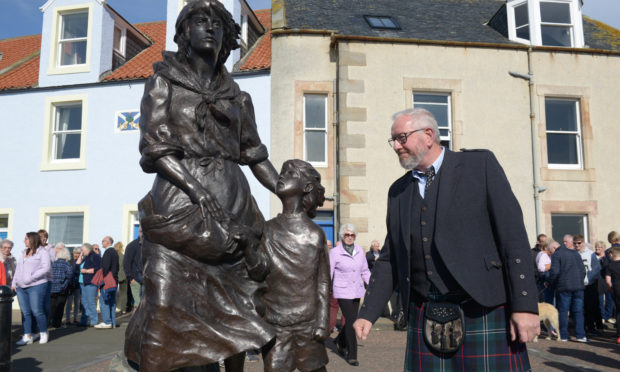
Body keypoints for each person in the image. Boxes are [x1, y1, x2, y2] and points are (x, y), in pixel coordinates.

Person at [124, 1, 279, 370]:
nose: (210, 28)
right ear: (183, 33)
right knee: (165, 296)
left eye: (218, 25)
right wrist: (196, 188)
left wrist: (285, 190)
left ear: (226, 38)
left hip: (234, 204)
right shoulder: (163, 82)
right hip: (179, 206)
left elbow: (254, 155)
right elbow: (155, 148)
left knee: (238, 302)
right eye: (200, 21)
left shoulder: (238, 97)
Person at [354, 108, 539, 371]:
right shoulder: (398, 191)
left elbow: (513, 237)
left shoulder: (479, 166)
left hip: (483, 308)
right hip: (425, 311)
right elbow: (390, 258)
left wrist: (525, 306)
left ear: (428, 135)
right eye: (393, 140)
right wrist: (368, 312)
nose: (396, 146)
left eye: (401, 137)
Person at [241, 159, 330, 372]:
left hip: (307, 325)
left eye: (290, 173)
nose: (281, 175)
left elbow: (323, 282)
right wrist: (247, 248)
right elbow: (258, 272)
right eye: (282, 172)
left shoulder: (315, 234)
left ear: (307, 187)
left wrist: (323, 321)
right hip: (276, 324)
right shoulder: (267, 230)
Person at [330, 223, 370, 367]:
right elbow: (329, 272)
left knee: (352, 320)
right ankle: (352, 355)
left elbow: (365, 271)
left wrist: (372, 285)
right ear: (342, 236)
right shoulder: (334, 252)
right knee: (353, 322)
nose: (349, 237)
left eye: (352, 235)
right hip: (342, 291)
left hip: (357, 291)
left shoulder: (359, 250)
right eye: (347, 234)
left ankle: (340, 340)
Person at [12, 232, 51, 345]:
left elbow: (46, 268)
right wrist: (14, 282)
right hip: (21, 286)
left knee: (37, 310)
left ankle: (43, 332)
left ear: (33, 240)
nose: (24, 241)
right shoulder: (23, 252)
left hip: (37, 285)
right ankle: (28, 335)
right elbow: (18, 269)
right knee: (25, 312)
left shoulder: (42, 252)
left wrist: (31, 277)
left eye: (26, 239)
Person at [549, 234, 587, 342]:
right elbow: (582, 270)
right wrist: (579, 281)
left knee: (563, 311)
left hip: (564, 286)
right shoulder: (575, 253)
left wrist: (552, 284)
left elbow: (555, 272)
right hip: (578, 286)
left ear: (554, 248)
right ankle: (581, 336)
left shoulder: (557, 254)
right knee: (578, 311)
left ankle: (564, 335)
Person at [574, 235, 602, 334]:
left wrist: (588, 279)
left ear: (583, 243)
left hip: (589, 284)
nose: (577, 245)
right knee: (579, 307)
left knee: (591, 306)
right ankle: (581, 327)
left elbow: (596, 269)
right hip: (577, 284)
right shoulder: (573, 254)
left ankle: (591, 326)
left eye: (579, 243)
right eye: (575, 243)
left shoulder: (590, 254)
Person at [96, 236, 119, 329]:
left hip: (108, 280)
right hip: (114, 280)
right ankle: (112, 322)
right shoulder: (115, 252)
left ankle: (107, 321)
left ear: (109, 242)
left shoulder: (108, 252)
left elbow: (105, 267)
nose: (102, 242)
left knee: (104, 300)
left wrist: (103, 277)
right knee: (112, 301)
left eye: (103, 241)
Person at [76, 243, 101, 327]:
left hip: (90, 282)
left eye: (82, 250)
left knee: (91, 302)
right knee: (84, 302)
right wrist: (80, 256)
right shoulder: (85, 257)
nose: (81, 252)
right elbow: (77, 265)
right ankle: (84, 320)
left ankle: (94, 320)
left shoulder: (95, 256)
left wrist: (86, 271)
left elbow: (99, 268)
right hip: (82, 282)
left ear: (87, 249)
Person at [49, 244, 73, 328]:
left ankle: (48, 323)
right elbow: (70, 275)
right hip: (62, 288)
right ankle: (57, 324)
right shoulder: (66, 264)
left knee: (51, 307)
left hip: (52, 288)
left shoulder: (53, 263)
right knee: (60, 307)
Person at [595, 240, 614, 325]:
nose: (597, 249)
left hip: (606, 279)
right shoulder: (593, 256)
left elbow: (609, 268)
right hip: (598, 280)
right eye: (596, 247)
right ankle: (602, 316)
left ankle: (608, 316)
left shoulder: (607, 257)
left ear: (603, 248)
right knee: (600, 299)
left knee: (609, 299)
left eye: (599, 247)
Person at [604, 245, 620, 343]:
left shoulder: (610, 266)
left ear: (611, 254)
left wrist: (610, 288)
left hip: (617, 289)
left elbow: (607, 280)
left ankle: (619, 336)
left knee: (619, 312)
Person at [124, 231, 142, 311]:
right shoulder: (132, 246)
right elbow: (126, 263)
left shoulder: (149, 245)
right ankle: (136, 323)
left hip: (147, 280)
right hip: (136, 279)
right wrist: (130, 278)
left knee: (144, 304)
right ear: (140, 232)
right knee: (138, 304)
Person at [65, 248, 82, 325]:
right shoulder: (69, 261)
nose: (76, 255)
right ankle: (67, 319)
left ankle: (75, 317)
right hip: (70, 284)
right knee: (69, 303)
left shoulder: (81, 262)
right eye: (75, 253)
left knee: (76, 303)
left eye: (78, 253)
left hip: (78, 284)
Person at [114, 242, 129, 314]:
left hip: (115, 276)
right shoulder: (123, 256)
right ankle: (123, 309)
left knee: (113, 292)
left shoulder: (114, 256)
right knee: (124, 293)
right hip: (123, 276)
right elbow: (126, 267)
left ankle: (113, 307)